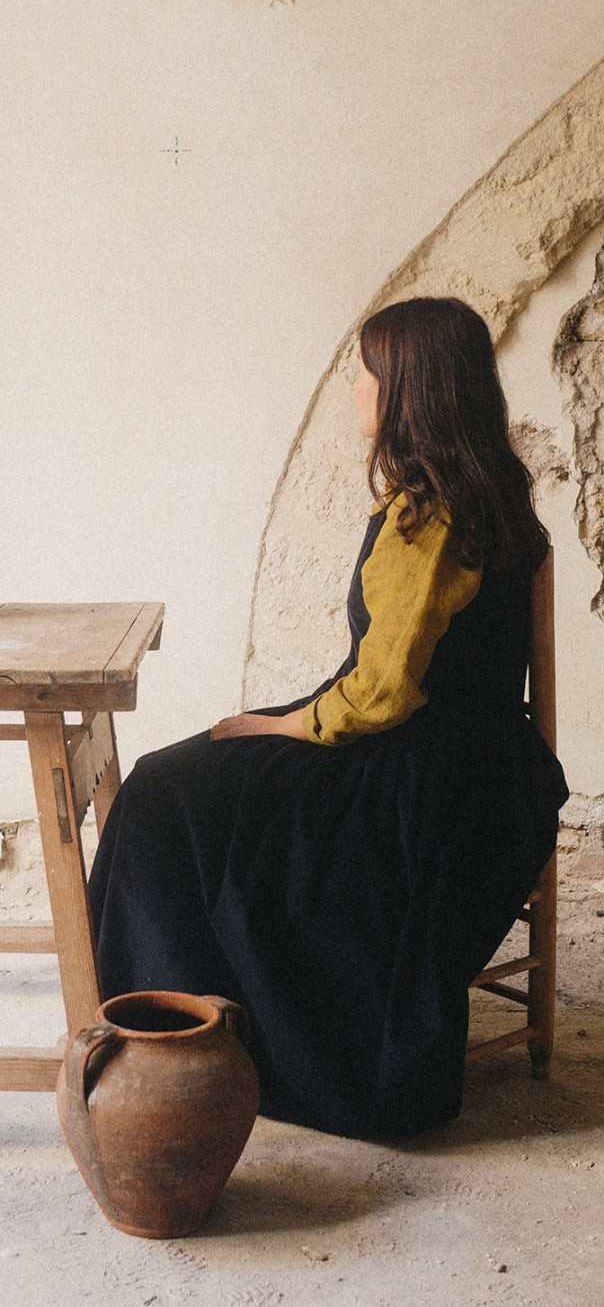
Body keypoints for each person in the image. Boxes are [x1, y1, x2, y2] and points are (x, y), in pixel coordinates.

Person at [88, 296, 568, 1141]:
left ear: (409, 392)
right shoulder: (484, 499)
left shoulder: (430, 518)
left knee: (167, 792)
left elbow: (379, 697)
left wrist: (275, 728)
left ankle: (175, 1034)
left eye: (366, 372)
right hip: (478, 757)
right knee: (196, 777)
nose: (354, 387)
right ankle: (191, 1015)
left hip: (420, 773)